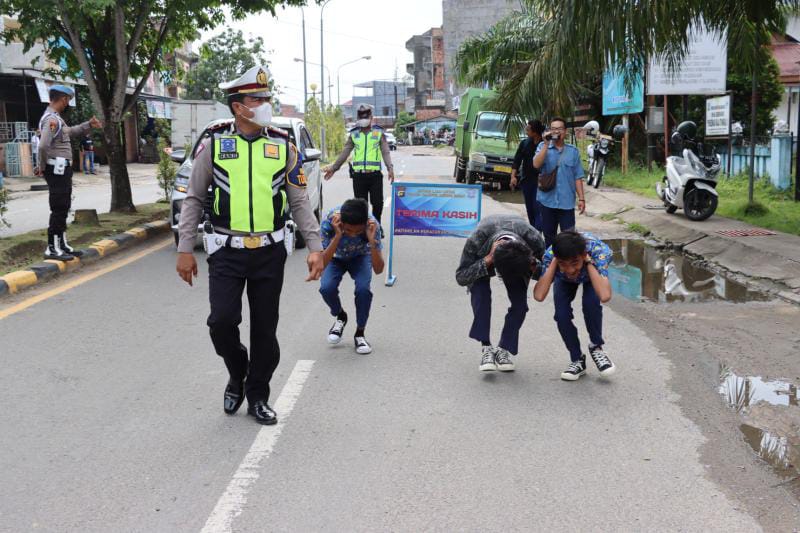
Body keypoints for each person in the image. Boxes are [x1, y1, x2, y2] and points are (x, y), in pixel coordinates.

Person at [175, 65, 325, 426]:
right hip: (226, 251)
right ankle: (236, 370)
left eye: (266, 99)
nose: (264, 105)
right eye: (257, 100)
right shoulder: (215, 146)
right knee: (221, 322)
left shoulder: (282, 146)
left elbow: (300, 200)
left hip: (269, 254)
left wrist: (316, 245)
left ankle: (258, 395)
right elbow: (193, 198)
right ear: (238, 106)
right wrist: (184, 248)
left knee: (264, 330)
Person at [456, 214, 544, 372]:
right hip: (486, 256)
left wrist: (532, 264)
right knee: (481, 296)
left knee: (520, 305)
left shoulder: (534, 238)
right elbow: (461, 277)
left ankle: (504, 348)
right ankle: (486, 347)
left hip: (519, 259)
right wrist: (487, 260)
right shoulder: (477, 238)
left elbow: (546, 275)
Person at [533, 230, 615, 381]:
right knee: (561, 315)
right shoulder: (550, 256)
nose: (570, 270)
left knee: (591, 305)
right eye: (563, 263)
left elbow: (605, 295)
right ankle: (577, 359)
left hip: (591, 274)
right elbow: (539, 295)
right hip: (563, 280)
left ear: (583, 255)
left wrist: (588, 262)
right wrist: (555, 263)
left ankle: (596, 347)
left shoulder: (599, 252)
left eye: (574, 263)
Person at [37, 85, 102, 261]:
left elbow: (70, 132)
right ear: (64, 99)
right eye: (68, 100)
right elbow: (43, 146)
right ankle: (52, 248)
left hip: (61, 169)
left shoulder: (57, 119)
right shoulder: (50, 119)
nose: (68, 103)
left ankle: (62, 244)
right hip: (55, 168)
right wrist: (42, 166)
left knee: (64, 206)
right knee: (59, 207)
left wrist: (88, 125)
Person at [319, 198, 385, 355]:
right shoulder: (329, 221)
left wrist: (371, 240)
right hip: (335, 257)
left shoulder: (372, 225)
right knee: (326, 288)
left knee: (363, 290)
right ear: (341, 222)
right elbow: (323, 262)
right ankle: (341, 316)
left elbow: (379, 269)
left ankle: (360, 333)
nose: (353, 234)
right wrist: (337, 236)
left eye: (357, 232)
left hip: (361, 256)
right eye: (348, 231)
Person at [323, 104, 394, 224]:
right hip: (358, 176)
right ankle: (364, 228)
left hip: (375, 175)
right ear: (358, 119)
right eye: (361, 118)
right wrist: (334, 168)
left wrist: (390, 167)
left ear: (371, 117)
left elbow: (385, 151)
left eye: (366, 117)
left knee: (377, 203)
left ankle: (376, 225)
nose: (364, 120)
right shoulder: (354, 134)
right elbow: (345, 152)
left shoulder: (377, 132)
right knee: (361, 206)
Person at [532, 117, 587, 248]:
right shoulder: (542, 147)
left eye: (559, 129)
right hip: (547, 202)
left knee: (569, 239)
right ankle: (550, 264)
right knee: (549, 237)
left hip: (567, 203)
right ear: (550, 131)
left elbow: (577, 176)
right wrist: (546, 143)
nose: (556, 131)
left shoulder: (573, 151)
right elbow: (536, 164)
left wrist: (582, 199)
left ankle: (565, 265)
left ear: (565, 131)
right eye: (553, 129)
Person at [510, 119, 545, 230]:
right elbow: (517, 160)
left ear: (535, 131)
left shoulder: (544, 145)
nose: (526, 131)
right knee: (530, 209)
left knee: (537, 209)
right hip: (526, 181)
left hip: (540, 182)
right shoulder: (524, 143)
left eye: (528, 129)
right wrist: (513, 176)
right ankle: (533, 231)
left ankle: (536, 231)